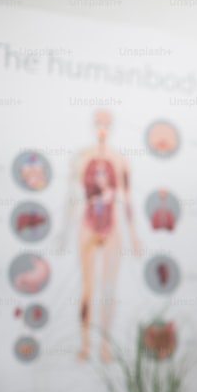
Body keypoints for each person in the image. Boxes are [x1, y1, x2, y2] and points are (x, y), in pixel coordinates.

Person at [64, 109, 142, 362]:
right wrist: (64, 230)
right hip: (87, 224)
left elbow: (127, 199)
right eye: (98, 122)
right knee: (87, 288)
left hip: (111, 226)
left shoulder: (120, 161)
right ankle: (85, 345)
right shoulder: (81, 158)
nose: (102, 127)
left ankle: (105, 346)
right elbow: (72, 197)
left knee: (108, 288)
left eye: (107, 123)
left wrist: (133, 236)